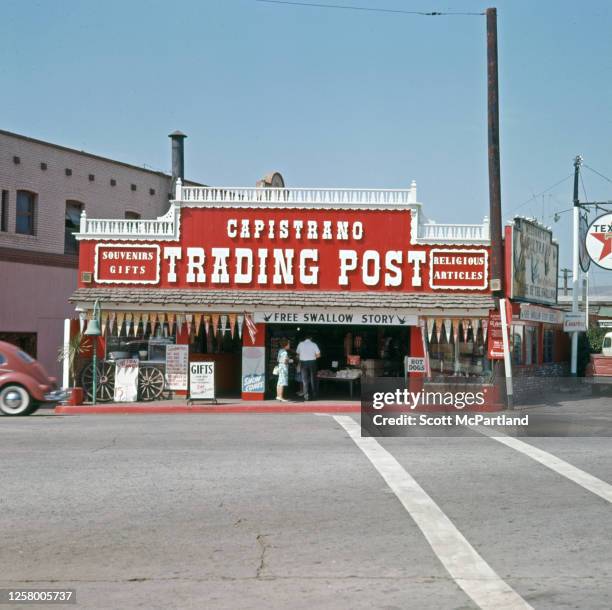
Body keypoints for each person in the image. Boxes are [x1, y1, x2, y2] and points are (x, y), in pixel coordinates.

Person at [296, 334, 320, 401]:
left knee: (304, 380)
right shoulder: (314, 344)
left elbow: (297, 355)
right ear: (311, 338)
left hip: (303, 363)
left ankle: (306, 396)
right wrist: (312, 357)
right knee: (313, 379)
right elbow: (318, 355)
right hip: (312, 362)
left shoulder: (300, 344)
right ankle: (314, 395)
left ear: (305, 338)